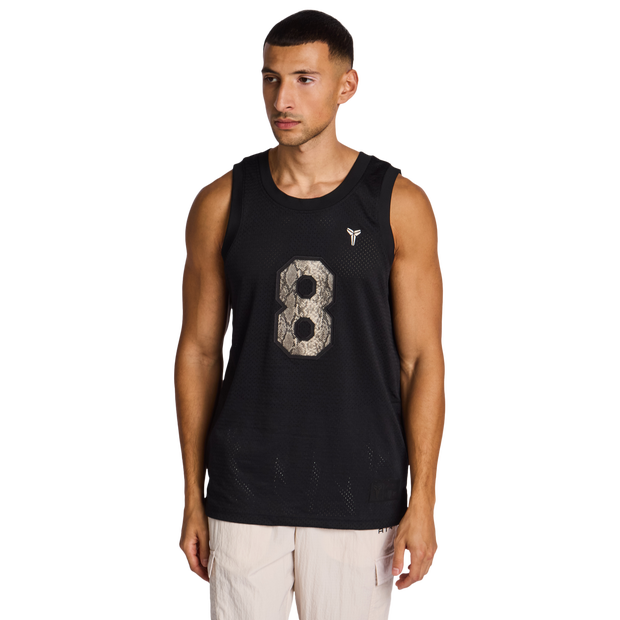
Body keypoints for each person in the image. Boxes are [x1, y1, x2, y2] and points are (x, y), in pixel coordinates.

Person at [173, 8, 446, 620]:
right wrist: (193, 493)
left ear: (348, 86)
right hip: (243, 489)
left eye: (304, 79)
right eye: (270, 79)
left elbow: (422, 359)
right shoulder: (221, 202)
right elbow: (198, 351)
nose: (282, 100)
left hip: (360, 489)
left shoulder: (397, 203)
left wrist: (424, 498)